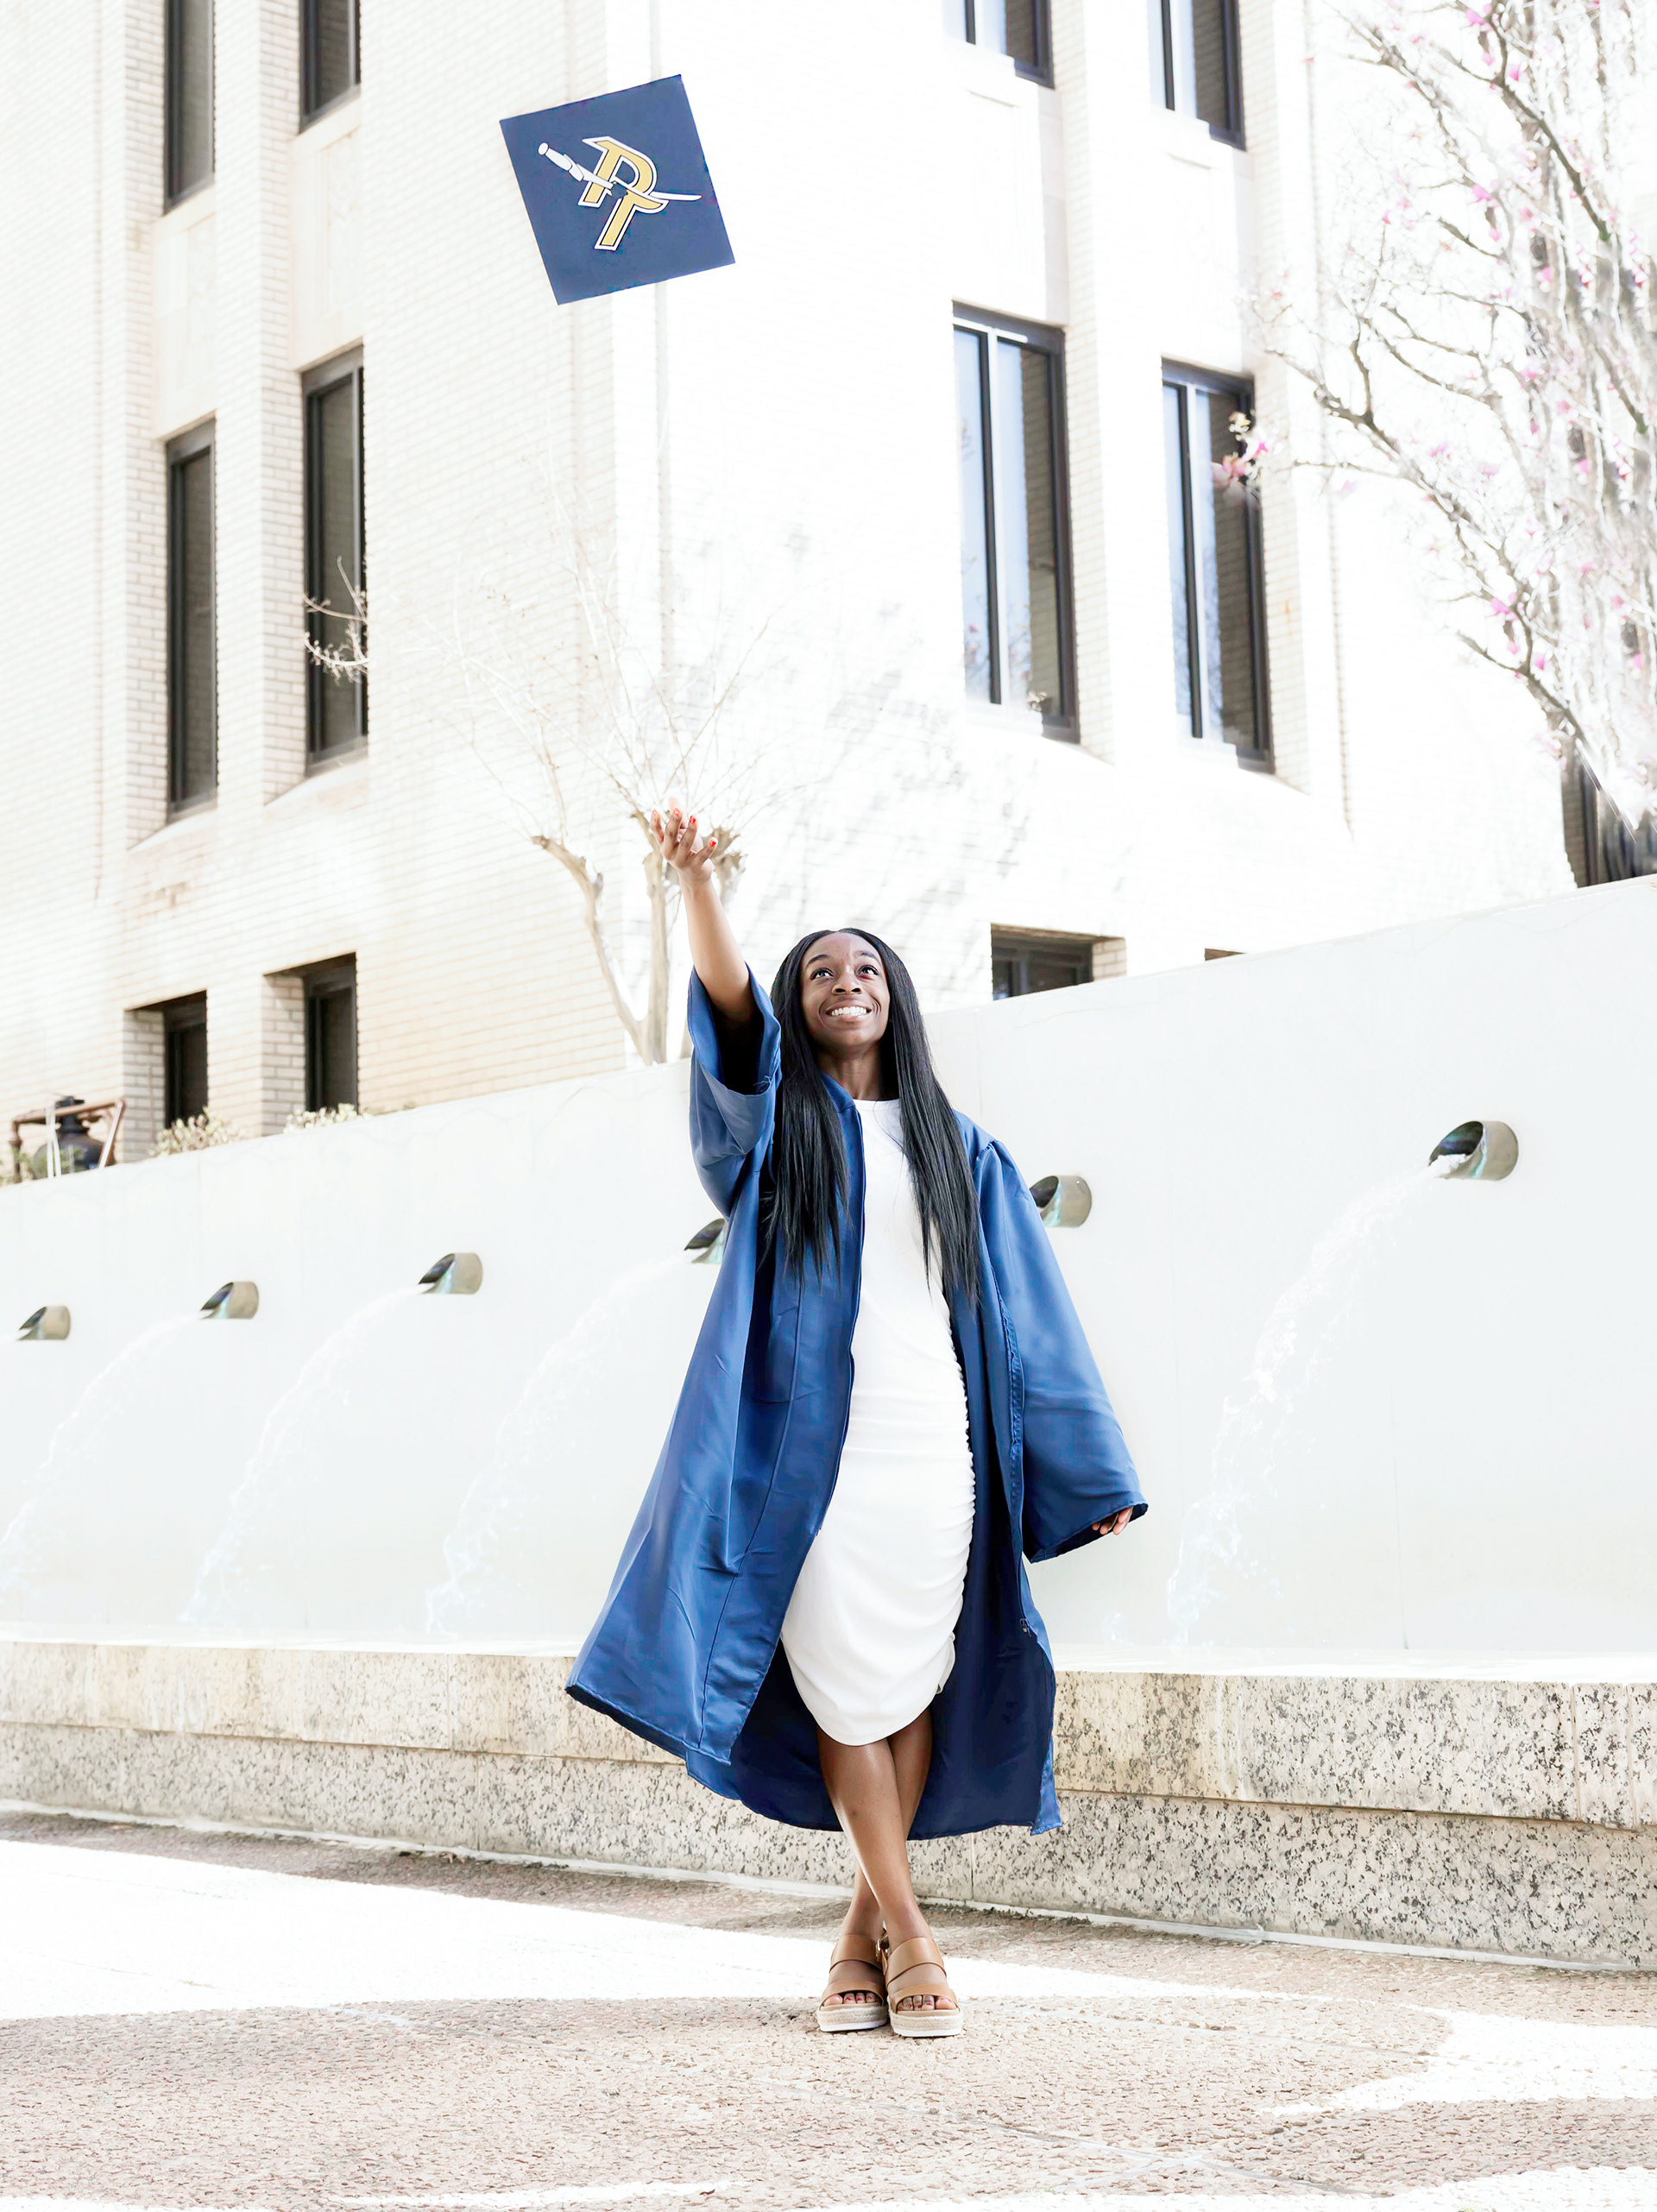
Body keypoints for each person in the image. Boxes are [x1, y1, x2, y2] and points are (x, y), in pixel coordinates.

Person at [568, 805, 1145, 2039]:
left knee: (914, 1682)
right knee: (845, 1691)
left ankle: (855, 1936)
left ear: (899, 1000)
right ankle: (917, 1938)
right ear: (798, 1003)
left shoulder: (961, 1149)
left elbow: (1031, 1318)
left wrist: (1085, 1472)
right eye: (822, 972)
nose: (849, 982)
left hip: (935, 1449)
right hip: (808, 1455)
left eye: (868, 968)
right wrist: (697, 883)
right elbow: (730, 1017)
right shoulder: (775, 1135)